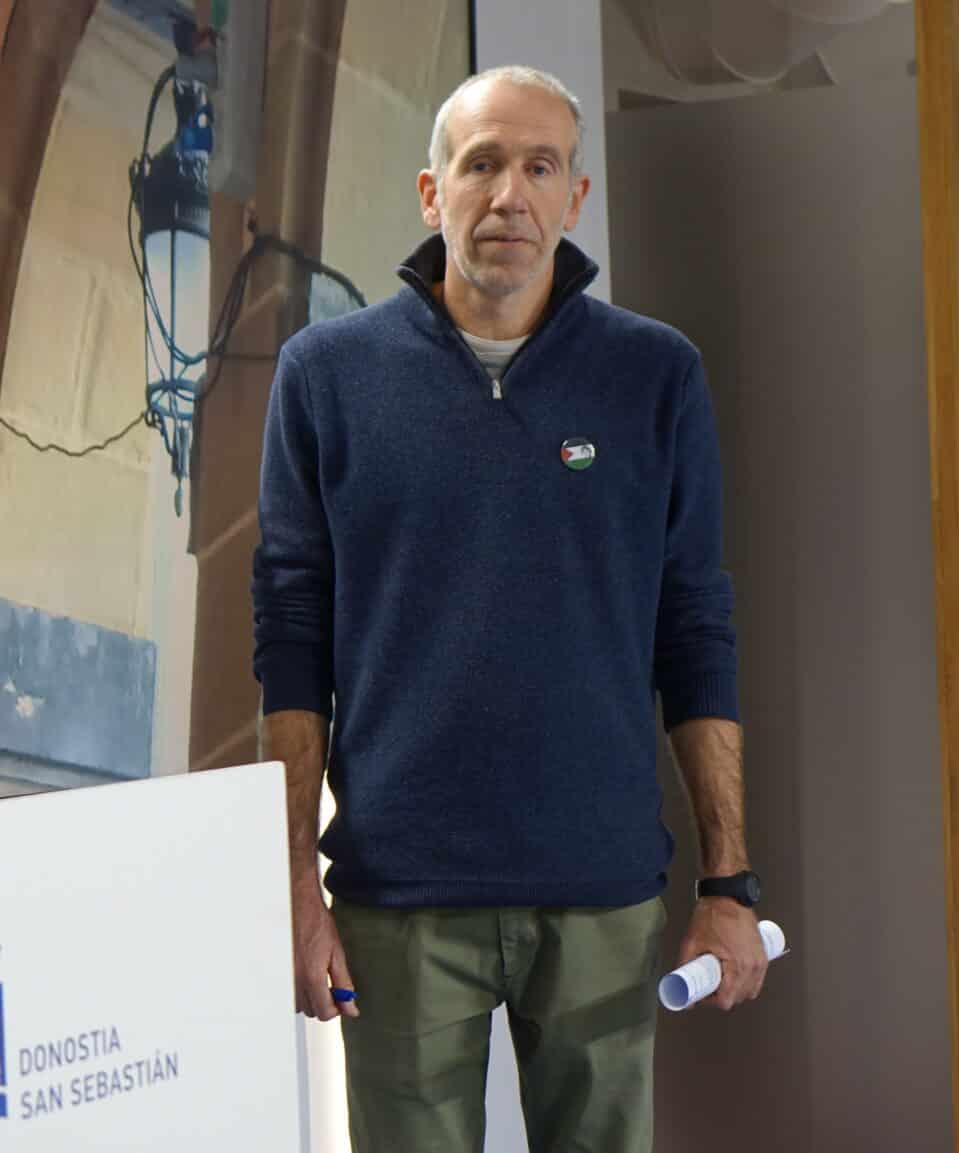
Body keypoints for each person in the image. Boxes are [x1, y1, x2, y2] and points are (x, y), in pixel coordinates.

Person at [251, 66, 766, 1152]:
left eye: (539, 167)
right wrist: (292, 883)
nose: (508, 195)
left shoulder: (655, 377)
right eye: (481, 163)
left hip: (600, 895)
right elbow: (291, 643)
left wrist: (728, 879)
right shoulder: (325, 376)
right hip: (399, 896)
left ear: (573, 198)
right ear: (431, 191)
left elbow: (694, 629)